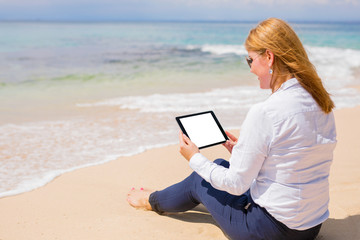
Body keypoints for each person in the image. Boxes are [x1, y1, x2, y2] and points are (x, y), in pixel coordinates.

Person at [127, 18, 337, 240]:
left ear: (269, 57)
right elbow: (294, 161)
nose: (251, 69)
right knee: (220, 165)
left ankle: (152, 201)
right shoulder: (320, 102)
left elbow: (236, 185)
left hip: (271, 232)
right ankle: (160, 196)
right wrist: (243, 151)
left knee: (200, 178)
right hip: (311, 227)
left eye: (250, 60)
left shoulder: (266, 111)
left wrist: (194, 157)